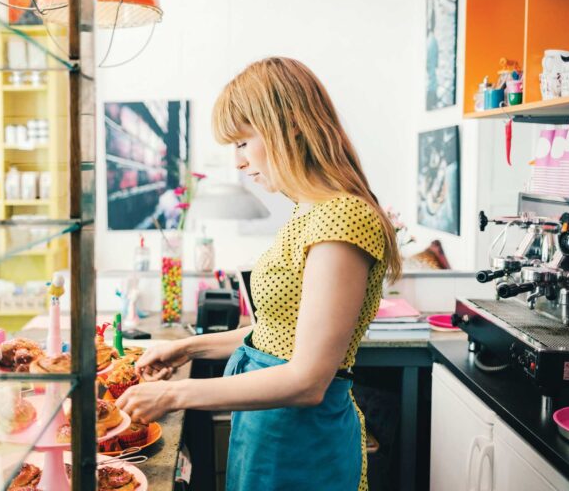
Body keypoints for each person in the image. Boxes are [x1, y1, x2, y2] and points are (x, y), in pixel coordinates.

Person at [116, 57, 402, 491]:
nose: (237, 161)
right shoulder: (308, 212)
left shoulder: (343, 217)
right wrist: (188, 349)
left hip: (303, 438)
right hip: (269, 426)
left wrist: (174, 395)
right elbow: (277, 335)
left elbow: (306, 379)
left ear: (289, 126)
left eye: (242, 143)